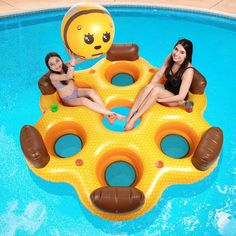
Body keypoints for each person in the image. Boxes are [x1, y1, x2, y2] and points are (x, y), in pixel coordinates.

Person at [125, 38, 194, 131]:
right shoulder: (171, 57)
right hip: (167, 88)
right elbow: (159, 74)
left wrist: (160, 99)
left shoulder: (188, 71)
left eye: (182, 52)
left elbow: (181, 96)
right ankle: (130, 114)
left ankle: (134, 119)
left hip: (176, 99)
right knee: (150, 86)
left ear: (186, 56)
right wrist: (149, 89)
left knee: (156, 91)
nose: (176, 54)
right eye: (176, 49)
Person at [45, 50, 125, 124]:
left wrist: (97, 52)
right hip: (68, 100)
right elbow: (68, 76)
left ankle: (108, 116)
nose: (56, 65)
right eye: (52, 64)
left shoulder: (65, 65)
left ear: (61, 60)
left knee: (91, 91)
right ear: (49, 68)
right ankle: (112, 113)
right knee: (84, 100)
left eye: (57, 61)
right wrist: (72, 61)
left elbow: (82, 60)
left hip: (76, 91)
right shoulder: (53, 76)